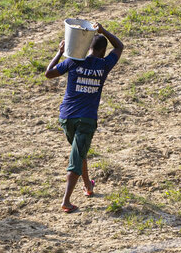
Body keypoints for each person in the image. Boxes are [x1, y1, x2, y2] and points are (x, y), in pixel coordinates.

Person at [44, 22, 124, 213]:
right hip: (86, 119)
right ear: (103, 51)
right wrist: (103, 31)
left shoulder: (73, 61)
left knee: (79, 152)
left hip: (66, 117)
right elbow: (119, 46)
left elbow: (48, 73)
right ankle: (66, 201)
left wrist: (60, 52)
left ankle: (88, 186)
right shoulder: (103, 65)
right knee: (76, 158)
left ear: (88, 48)